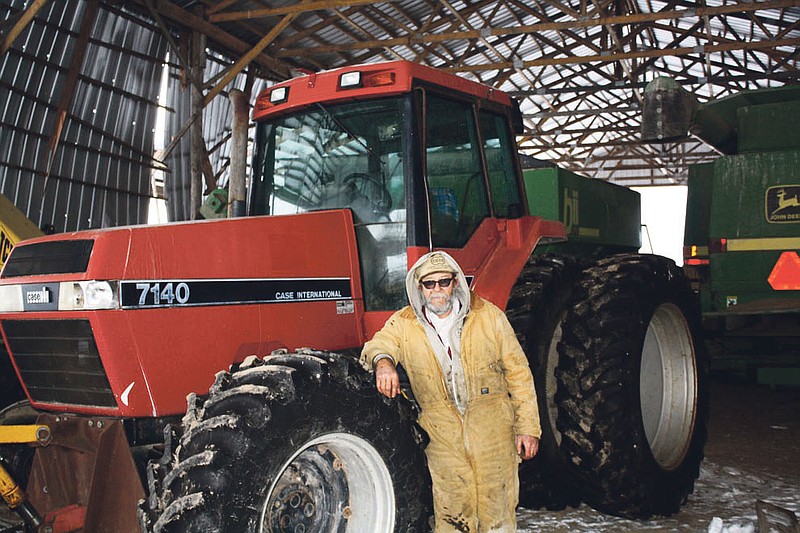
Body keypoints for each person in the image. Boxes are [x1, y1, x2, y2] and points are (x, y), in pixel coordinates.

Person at [361, 250, 541, 532]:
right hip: (441, 433)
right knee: (452, 515)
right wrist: (383, 364)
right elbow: (378, 345)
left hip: (493, 428)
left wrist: (528, 427)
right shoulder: (404, 323)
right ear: (419, 288)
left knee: (498, 514)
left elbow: (519, 374)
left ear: (455, 282)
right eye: (429, 284)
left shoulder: (489, 316)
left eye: (443, 282)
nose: (437, 290)